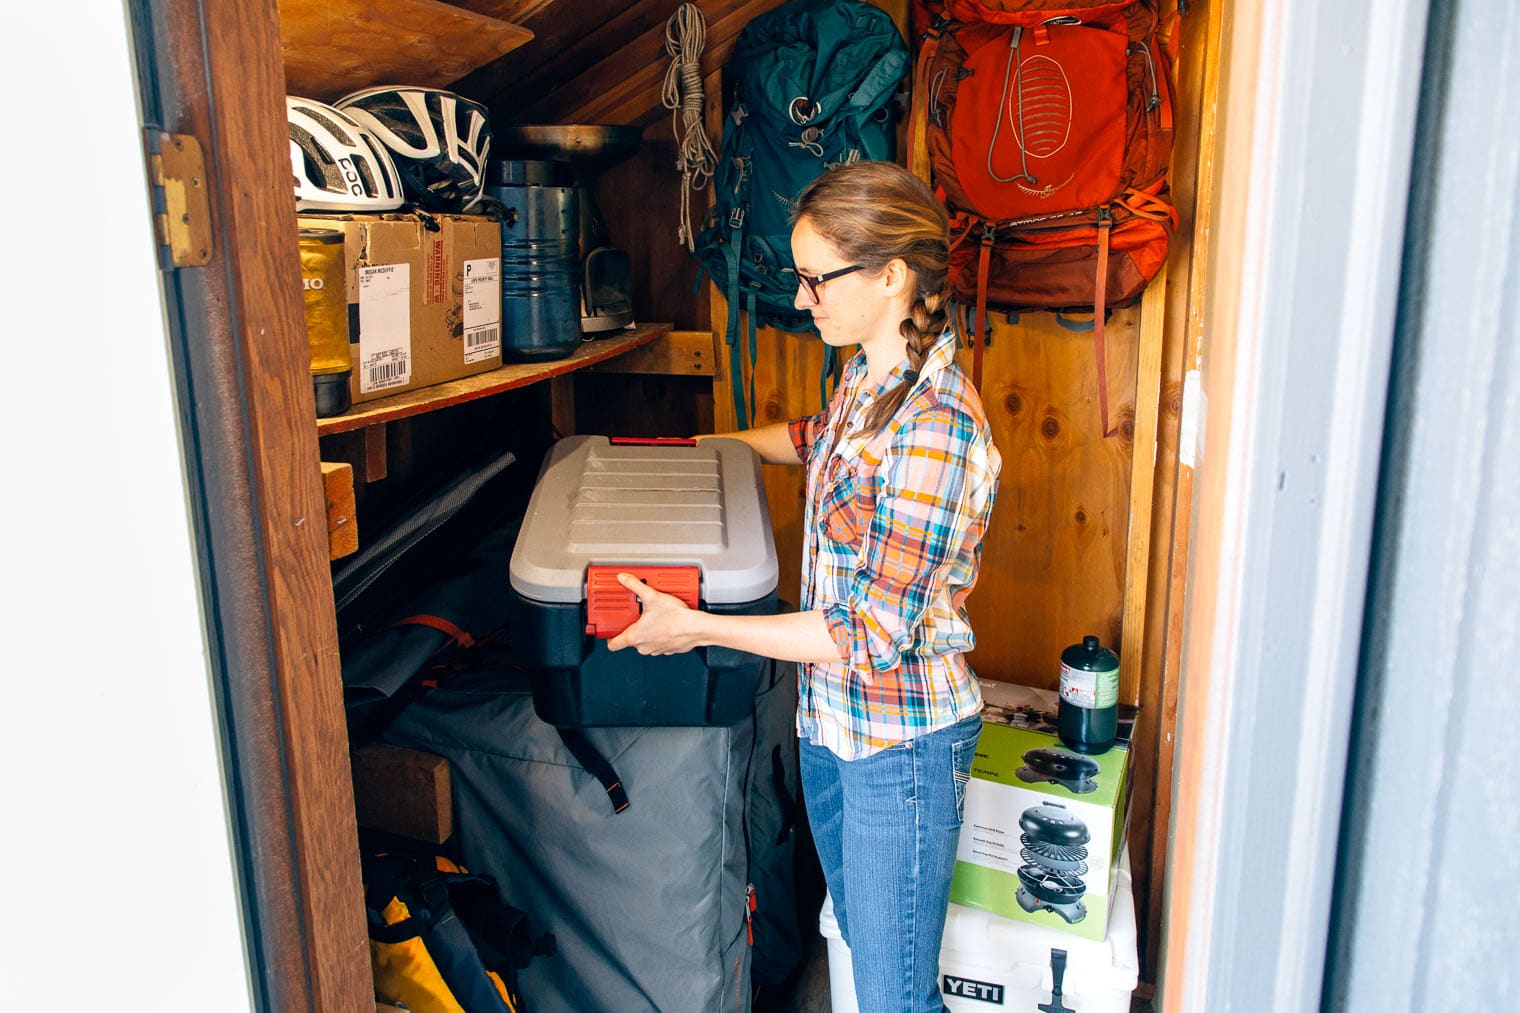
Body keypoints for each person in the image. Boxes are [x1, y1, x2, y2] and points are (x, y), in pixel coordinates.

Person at [608, 159, 1001, 1012]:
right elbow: (814, 437)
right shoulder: (868, 374)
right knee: (861, 945)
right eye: (800, 277)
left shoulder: (937, 429)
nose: (800, 299)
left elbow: (865, 633)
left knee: (898, 993)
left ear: (892, 276)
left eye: (818, 279)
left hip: (900, 748)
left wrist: (700, 625)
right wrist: (711, 450)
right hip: (830, 723)